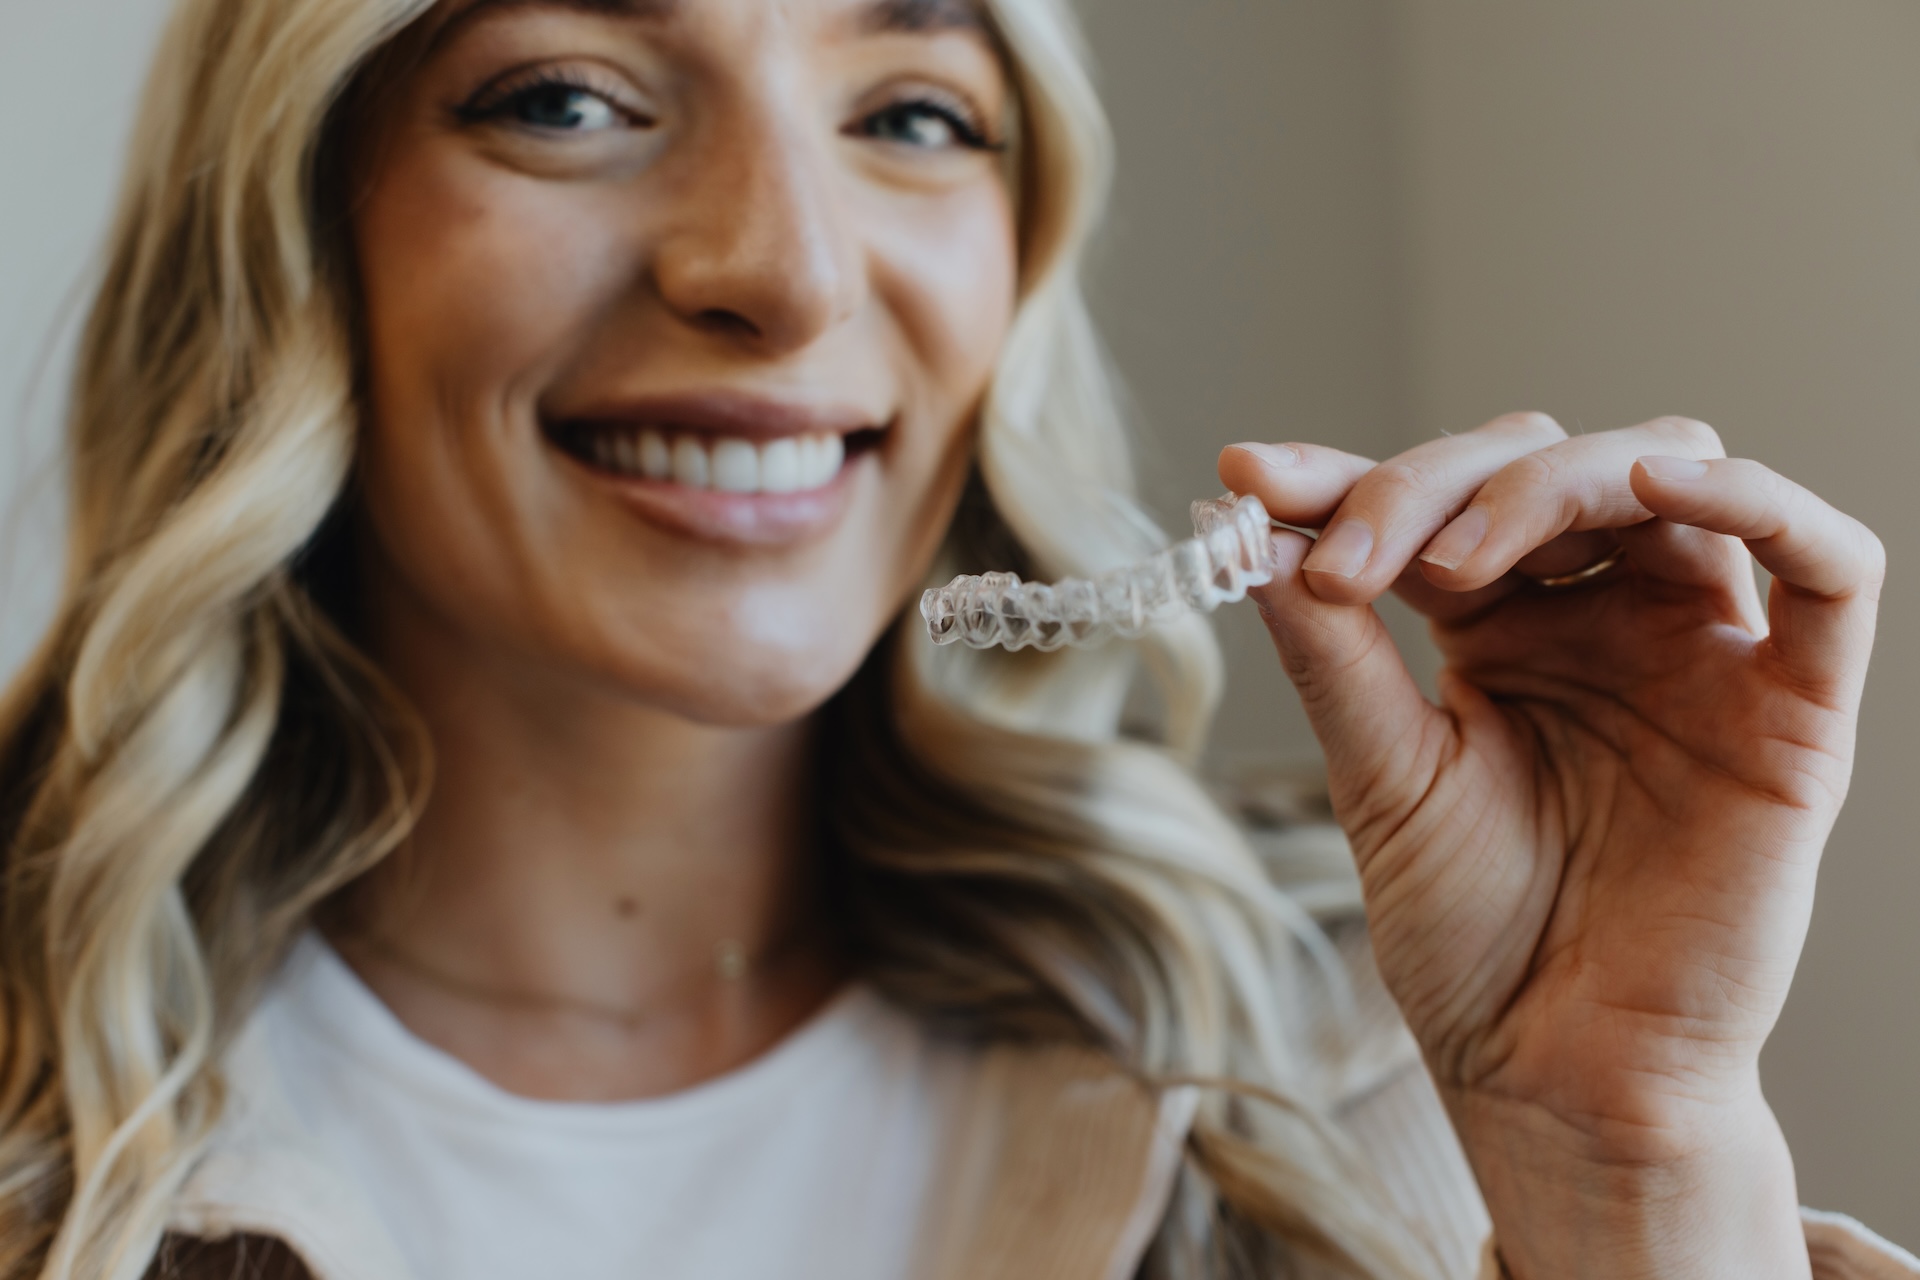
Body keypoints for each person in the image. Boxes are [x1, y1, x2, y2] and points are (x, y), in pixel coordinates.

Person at [0, 0, 1909, 1276]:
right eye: (566, 95)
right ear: (294, 228)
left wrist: (1627, 1164)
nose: (788, 267)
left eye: (912, 115)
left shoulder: (1343, 1055)